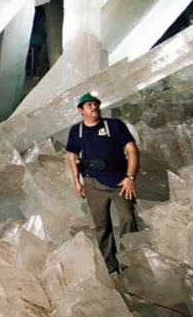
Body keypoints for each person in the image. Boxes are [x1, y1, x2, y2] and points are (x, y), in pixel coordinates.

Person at [66, 92, 139, 274]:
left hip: (119, 183)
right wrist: (77, 181)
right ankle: (111, 266)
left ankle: (131, 264)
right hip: (93, 184)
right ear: (81, 110)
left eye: (96, 104)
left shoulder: (114, 125)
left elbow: (132, 149)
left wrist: (130, 178)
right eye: (89, 105)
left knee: (129, 219)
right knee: (101, 225)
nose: (94, 107)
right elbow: (73, 156)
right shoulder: (77, 131)